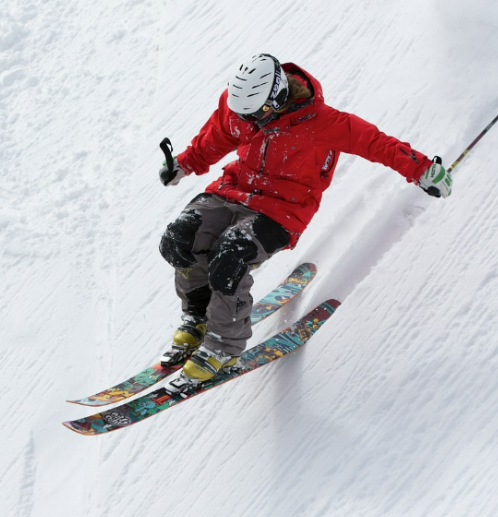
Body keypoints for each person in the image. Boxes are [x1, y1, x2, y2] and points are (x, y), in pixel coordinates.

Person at [158, 53, 452, 387]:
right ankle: (198, 314)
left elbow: (378, 144)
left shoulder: (325, 123)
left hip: (281, 210)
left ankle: (224, 344)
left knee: (229, 256)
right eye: (244, 114)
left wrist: (422, 168)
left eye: (256, 114)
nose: (250, 121)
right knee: (179, 239)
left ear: (277, 96)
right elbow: (220, 134)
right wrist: (185, 163)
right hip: (233, 190)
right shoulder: (242, 104)